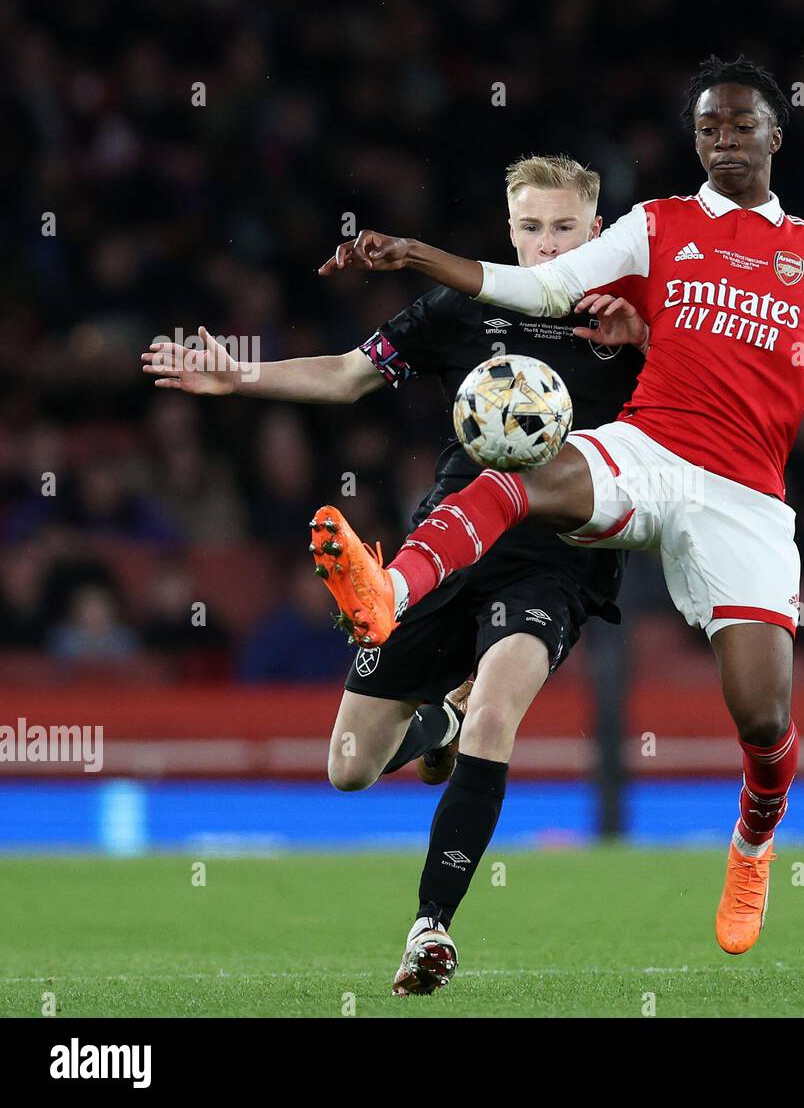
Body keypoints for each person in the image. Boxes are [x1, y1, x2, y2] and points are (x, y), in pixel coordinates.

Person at [311, 55, 804, 958]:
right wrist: (421, 255)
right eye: (707, 128)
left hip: (743, 499)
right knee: (512, 477)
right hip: (650, 449)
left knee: (763, 718)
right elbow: (545, 287)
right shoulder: (658, 225)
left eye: (740, 126)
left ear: (776, 135)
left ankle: (752, 840)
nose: (722, 141)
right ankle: (389, 589)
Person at [143, 154, 646, 993]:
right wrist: (240, 378)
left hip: (556, 563)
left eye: (565, 228)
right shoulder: (465, 306)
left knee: (495, 710)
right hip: (448, 544)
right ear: (509, 231)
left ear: (597, 232)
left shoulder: (633, 320)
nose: (547, 244)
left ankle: (430, 929)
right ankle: (434, 729)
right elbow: (348, 374)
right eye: (531, 227)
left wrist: (649, 338)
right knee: (348, 766)